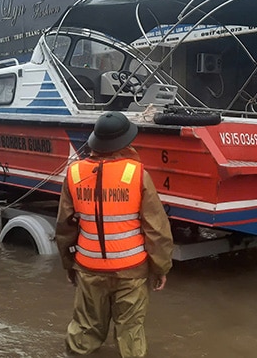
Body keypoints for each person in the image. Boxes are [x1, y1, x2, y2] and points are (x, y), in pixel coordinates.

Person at [55, 111, 174, 358]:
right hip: (132, 270)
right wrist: (161, 268)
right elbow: (157, 229)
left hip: (88, 269)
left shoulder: (74, 174)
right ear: (126, 142)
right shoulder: (137, 174)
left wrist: (69, 265)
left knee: (84, 331)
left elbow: (64, 228)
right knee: (130, 332)